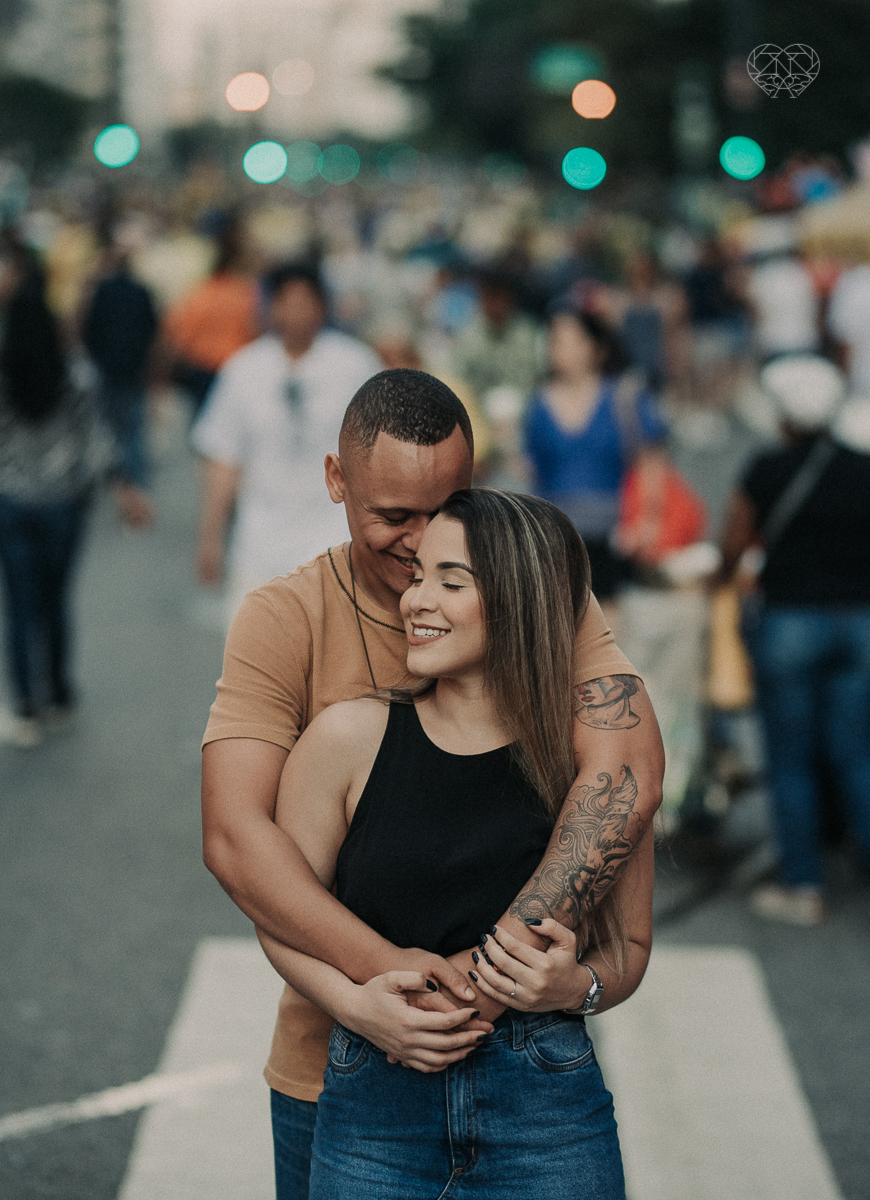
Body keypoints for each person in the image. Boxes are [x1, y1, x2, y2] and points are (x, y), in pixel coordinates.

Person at [199, 367, 665, 1197]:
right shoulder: (286, 618)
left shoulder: (538, 597)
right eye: (393, 517)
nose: (418, 544)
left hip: (533, 1079)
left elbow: (625, 770)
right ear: (337, 481)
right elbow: (239, 842)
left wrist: (496, 982)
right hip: (337, 1065)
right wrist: (387, 985)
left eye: (442, 510)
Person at [717, 354, 870, 924]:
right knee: (858, 755)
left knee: (791, 760)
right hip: (860, 623)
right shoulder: (864, 468)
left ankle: (804, 884)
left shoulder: (765, 469)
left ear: (782, 415)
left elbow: (732, 547)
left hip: (789, 624)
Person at [0, 242, 148, 748]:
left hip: (14, 501)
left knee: (19, 605)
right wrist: (125, 487)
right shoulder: (78, 375)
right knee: (55, 600)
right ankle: (60, 692)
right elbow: (100, 441)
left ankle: (25, 704)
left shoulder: (5, 378)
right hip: (65, 503)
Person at [191, 261, 382, 622]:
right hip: (260, 542)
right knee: (256, 661)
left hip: (334, 537)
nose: (296, 312)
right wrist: (211, 538)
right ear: (271, 308)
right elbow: (224, 459)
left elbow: (378, 454)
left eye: (306, 302)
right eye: (286, 302)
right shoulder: (243, 370)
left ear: (322, 307)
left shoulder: (356, 365)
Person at [522, 305, 667, 615]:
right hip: (556, 535)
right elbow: (532, 468)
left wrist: (649, 518)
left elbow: (650, 461)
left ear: (595, 348)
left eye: (569, 340)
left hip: (616, 534)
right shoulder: (537, 403)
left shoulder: (623, 398)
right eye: (554, 340)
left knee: (611, 622)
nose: (558, 349)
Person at [81, 239, 159, 520]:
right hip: (133, 367)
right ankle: (135, 483)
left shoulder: (103, 290)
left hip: (107, 367)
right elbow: (152, 329)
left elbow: (90, 328)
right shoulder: (141, 291)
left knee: (108, 426)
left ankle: (115, 480)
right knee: (133, 429)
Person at [159, 219, 261, 416]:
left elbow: (180, 334)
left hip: (204, 370)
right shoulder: (246, 293)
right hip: (235, 368)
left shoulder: (201, 293)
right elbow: (254, 331)